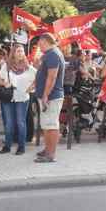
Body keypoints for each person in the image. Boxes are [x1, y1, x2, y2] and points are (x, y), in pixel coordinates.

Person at [0, 44, 36, 155]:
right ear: (13, 53)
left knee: (21, 123)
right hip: (8, 98)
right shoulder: (7, 66)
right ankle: (7, 146)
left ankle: (21, 147)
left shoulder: (28, 67)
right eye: (18, 51)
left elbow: (39, 77)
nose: (20, 53)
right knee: (9, 123)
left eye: (22, 51)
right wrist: (4, 83)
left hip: (22, 98)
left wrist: (32, 87)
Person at [34, 33, 65, 163]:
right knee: (47, 125)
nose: (39, 47)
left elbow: (51, 77)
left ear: (46, 41)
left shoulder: (52, 54)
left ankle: (50, 154)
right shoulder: (51, 53)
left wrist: (46, 95)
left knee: (51, 125)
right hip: (48, 96)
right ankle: (47, 150)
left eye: (40, 44)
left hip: (51, 97)